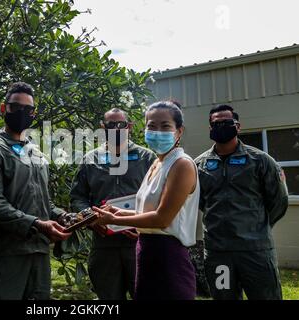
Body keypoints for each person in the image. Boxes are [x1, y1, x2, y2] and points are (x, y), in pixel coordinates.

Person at [0, 82, 71, 300]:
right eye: (16, 107)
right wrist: (37, 224)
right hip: (4, 255)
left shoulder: (35, 152)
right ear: (2, 108)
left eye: (29, 110)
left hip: (38, 254)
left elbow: (43, 202)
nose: (22, 113)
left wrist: (62, 216)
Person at [93, 101, 199, 300]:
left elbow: (161, 219)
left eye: (165, 126)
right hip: (146, 252)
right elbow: (147, 212)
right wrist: (117, 212)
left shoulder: (181, 165)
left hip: (168, 257)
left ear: (179, 131)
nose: (157, 131)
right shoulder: (158, 163)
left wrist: (113, 220)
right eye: (151, 125)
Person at [195, 104, 289, 300]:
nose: (221, 126)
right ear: (210, 128)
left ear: (238, 126)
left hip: (256, 252)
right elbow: (201, 202)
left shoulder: (261, 161)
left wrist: (256, 226)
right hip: (218, 252)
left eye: (227, 122)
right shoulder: (199, 165)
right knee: (223, 297)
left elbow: (279, 200)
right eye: (216, 123)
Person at [70, 108, 156, 300]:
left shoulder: (147, 158)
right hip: (104, 246)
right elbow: (77, 197)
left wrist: (142, 224)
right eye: (110, 125)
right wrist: (90, 219)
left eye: (121, 125)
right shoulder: (90, 159)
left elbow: (158, 198)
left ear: (130, 127)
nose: (116, 129)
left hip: (139, 243)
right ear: (102, 127)